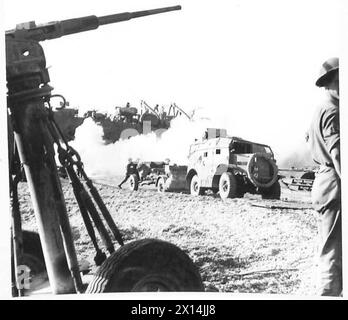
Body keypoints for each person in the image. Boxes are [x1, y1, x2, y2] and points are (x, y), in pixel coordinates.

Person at [307, 57, 341, 296]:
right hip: (334, 182)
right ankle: (327, 294)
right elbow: (338, 153)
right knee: (333, 251)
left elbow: (309, 140)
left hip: (323, 180)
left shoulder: (320, 109)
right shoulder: (333, 110)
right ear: (332, 82)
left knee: (330, 246)